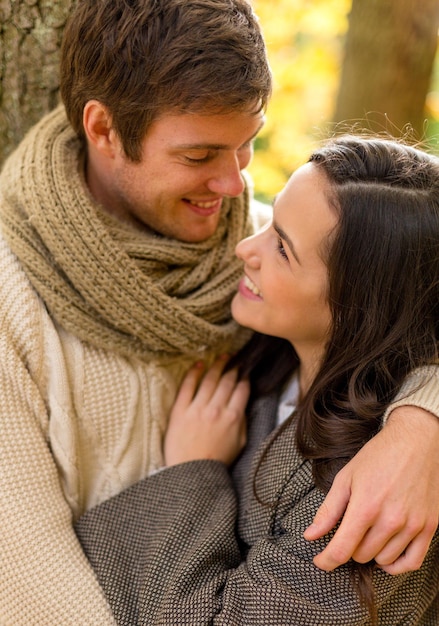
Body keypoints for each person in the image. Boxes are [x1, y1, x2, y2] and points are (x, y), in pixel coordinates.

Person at [0, 0, 437, 622]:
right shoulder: (12, 309)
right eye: (199, 156)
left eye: (248, 145)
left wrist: (424, 424)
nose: (236, 190)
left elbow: (407, 304)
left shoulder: (284, 269)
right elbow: (33, 588)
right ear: (102, 130)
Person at [75, 135, 439, 625]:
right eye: (272, 222)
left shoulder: (373, 498)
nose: (246, 247)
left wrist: (192, 471)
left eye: (282, 249)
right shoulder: (277, 359)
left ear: (359, 305)